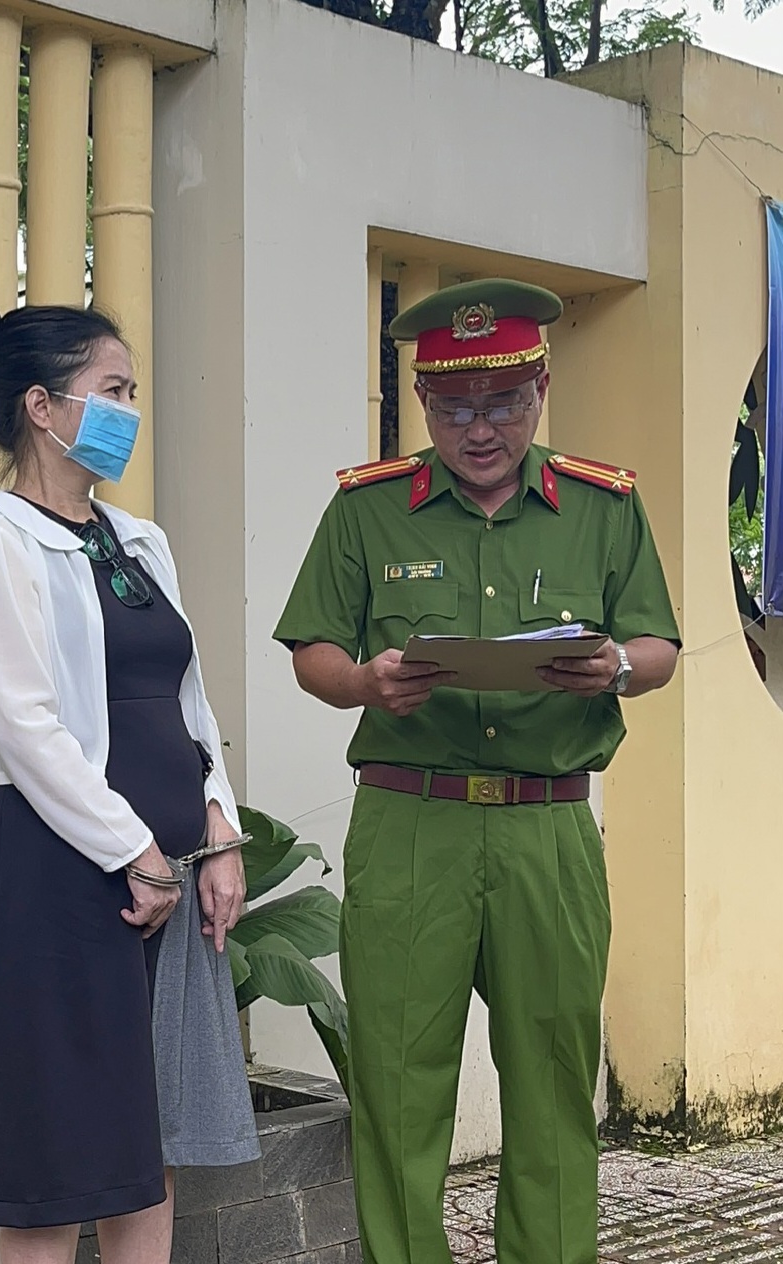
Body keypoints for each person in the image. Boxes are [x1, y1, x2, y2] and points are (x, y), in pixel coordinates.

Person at [274, 279, 681, 1264]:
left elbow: (658, 644)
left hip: (548, 829)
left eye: (501, 400)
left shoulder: (600, 505)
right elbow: (311, 651)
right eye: (453, 406)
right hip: (413, 824)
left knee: (549, 1084)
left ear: (539, 387)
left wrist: (614, 666)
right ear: (422, 403)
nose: (479, 427)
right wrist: (367, 682)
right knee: (399, 1085)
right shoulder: (366, 511)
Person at [0, 305, 260, 1264]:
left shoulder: (140, 542)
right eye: (112, 392)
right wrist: (136, 853)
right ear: (42, 406)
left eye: (130, 392)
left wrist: (219, 828)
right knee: (54, 1159)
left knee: (145, 1142)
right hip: (67, 879)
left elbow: (187, 702)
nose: (129, 410)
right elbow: (25, 729)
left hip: (166, 874)